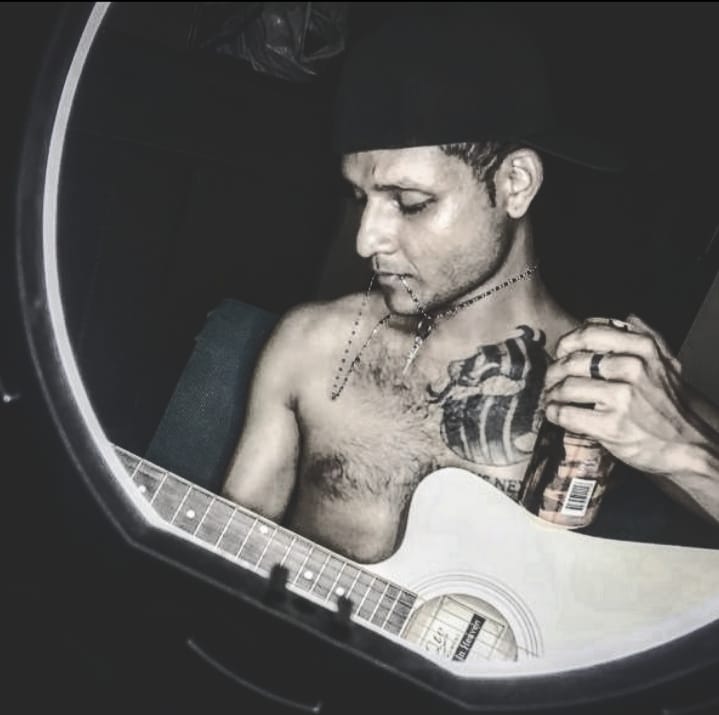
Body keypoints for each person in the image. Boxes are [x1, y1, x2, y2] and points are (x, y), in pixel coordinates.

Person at [222, 10, 719, 562]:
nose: (366, 240)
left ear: (514, 184)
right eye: (360, 199)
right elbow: (220, 556)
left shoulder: (619, 388)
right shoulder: (312, 344)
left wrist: (685, 450)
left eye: (411, 203)